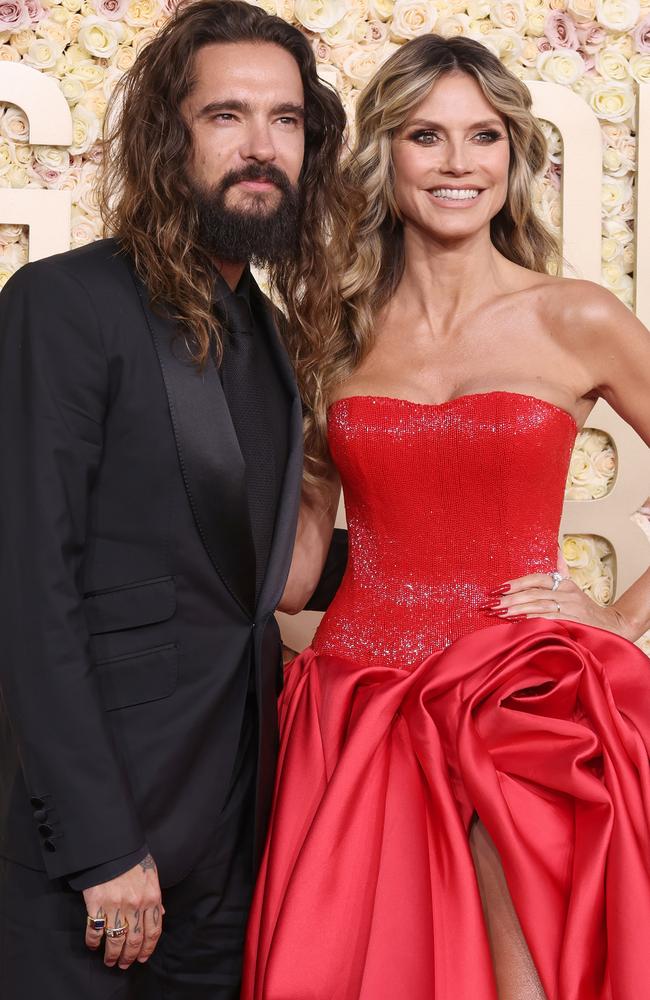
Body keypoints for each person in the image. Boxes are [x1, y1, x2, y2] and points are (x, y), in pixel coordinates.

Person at [242, 34, 650, 1000]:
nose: (459, 163)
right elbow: (297, 569)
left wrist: (618, 619)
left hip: (518, 706)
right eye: (428, 136)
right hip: (358, 707)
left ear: (514, 157)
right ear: (389, 156)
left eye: (485, 137)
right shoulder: (328, 330)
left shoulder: (576, 317)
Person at [0, 1, 348, 997]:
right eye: (225, 116)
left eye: (285, 120)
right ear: (168, 135)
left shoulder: (274, 334)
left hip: (234, 840)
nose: (260, 146)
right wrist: (103, 845)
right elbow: (29, 588)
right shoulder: (63, 305)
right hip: (92, 852)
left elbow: (253, 571)